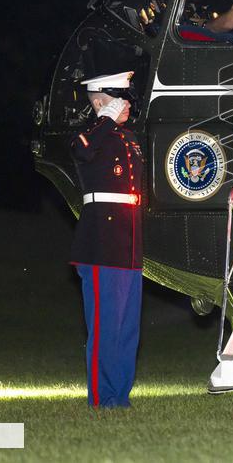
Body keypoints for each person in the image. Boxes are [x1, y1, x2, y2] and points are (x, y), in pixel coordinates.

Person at [69, 71, 144, 408]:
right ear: (100, 101)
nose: (126, 103)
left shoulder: (127, 138)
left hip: (128, 242)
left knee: (127, 327)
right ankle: (103, 397)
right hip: (102, 241)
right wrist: (103, 120)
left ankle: (120, 396)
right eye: (118, 98)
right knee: (105, 326)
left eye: (127, 97)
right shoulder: (91, 135)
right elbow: (82, 151)